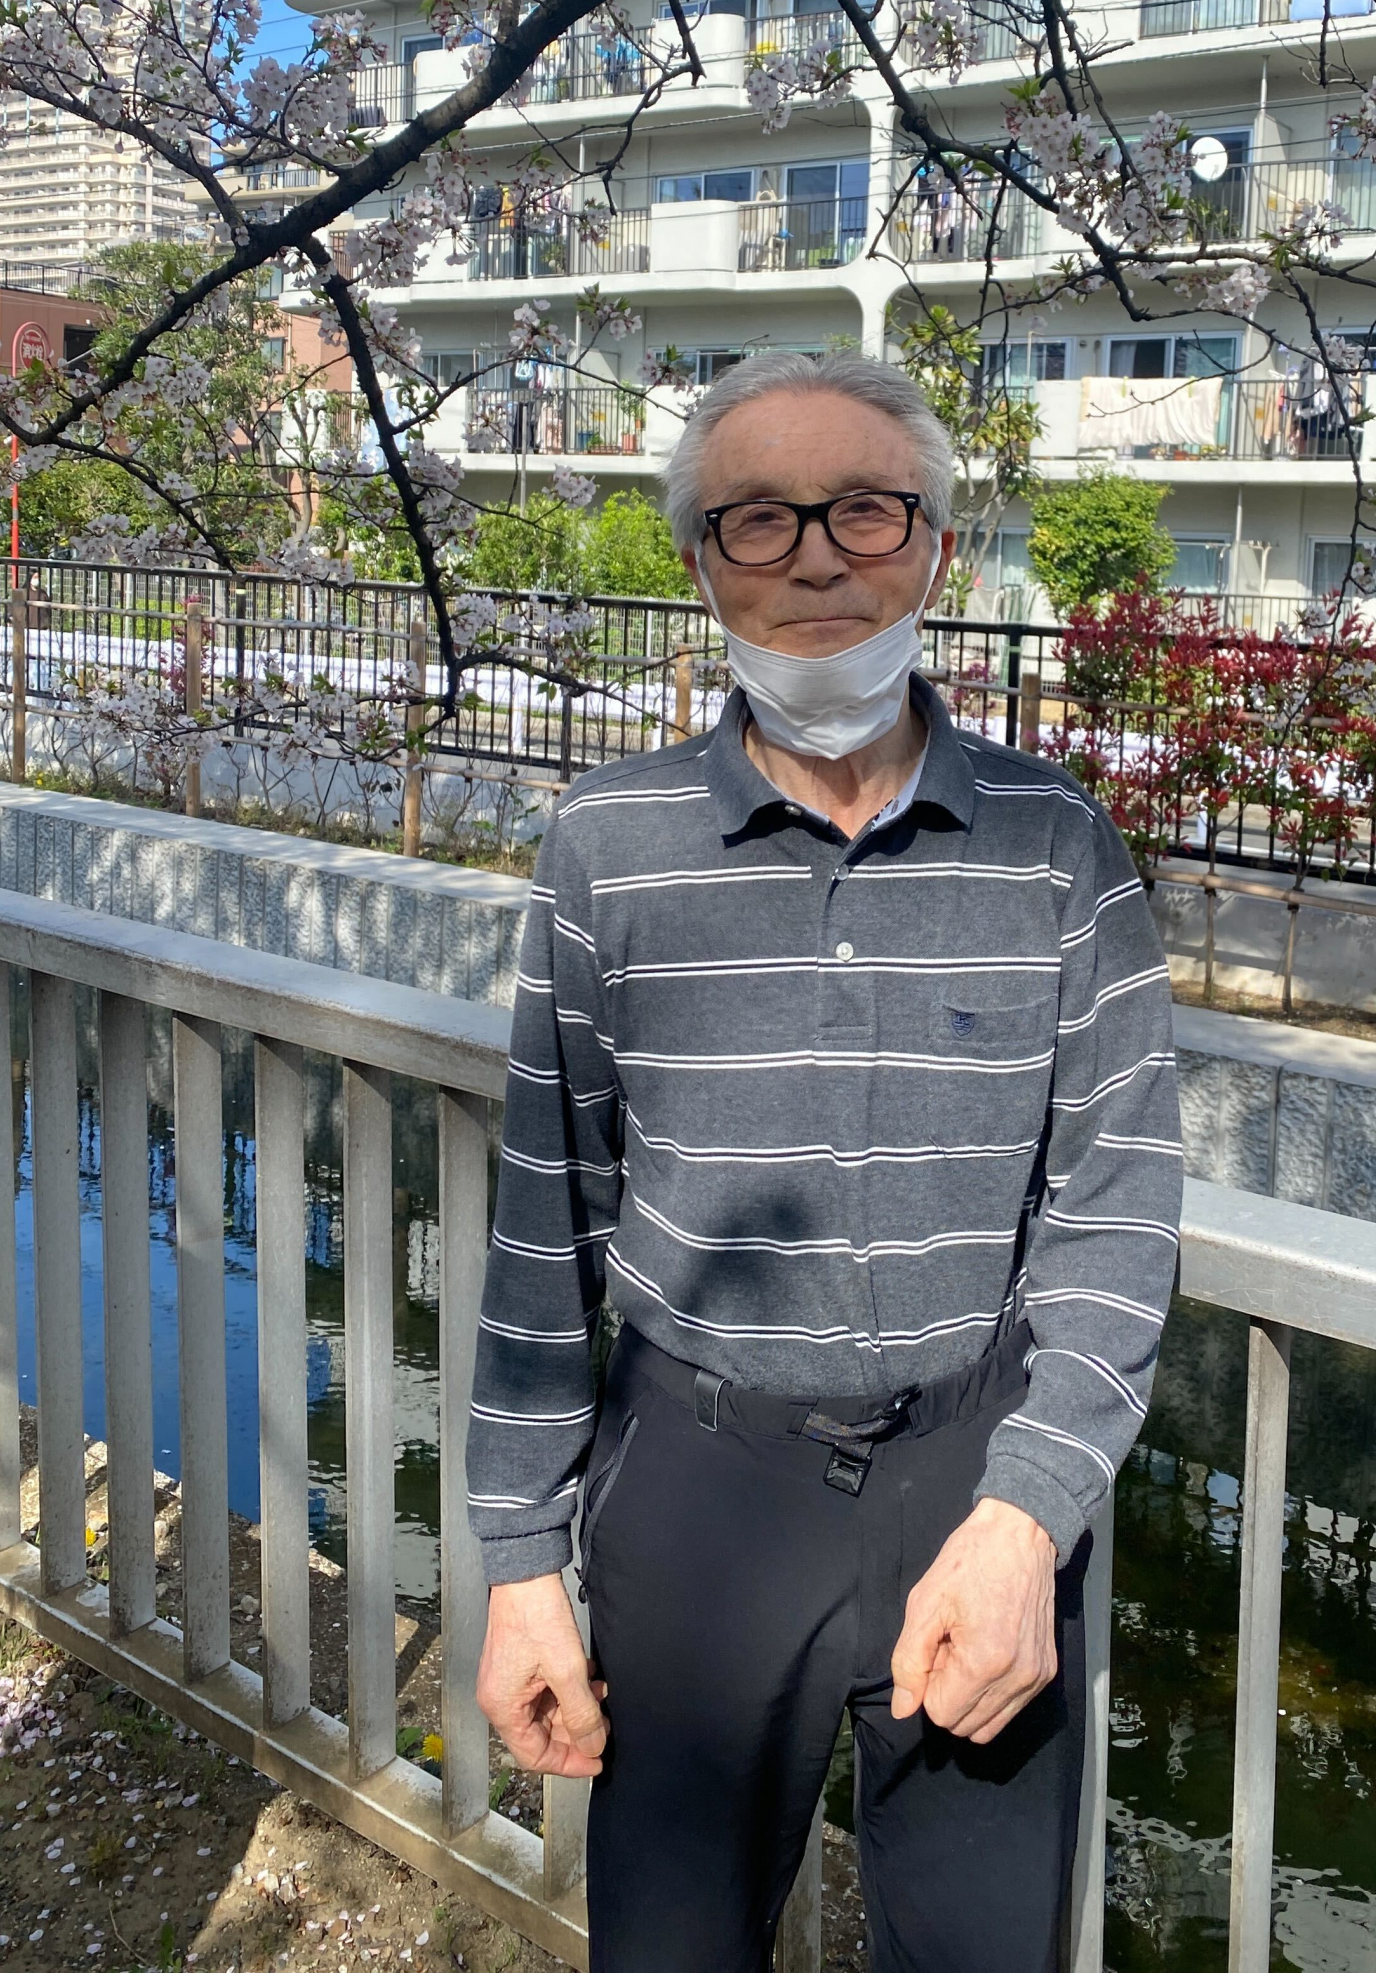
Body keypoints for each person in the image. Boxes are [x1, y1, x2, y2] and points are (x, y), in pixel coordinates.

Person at [467, 351, 1184, 1973]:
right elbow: (542, 1230)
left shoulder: (1056, 843)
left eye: (865, 510)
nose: (813, 559)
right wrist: (519, 1563)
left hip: (979, 1478)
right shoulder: (607, 847)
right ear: (698, 561)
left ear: (936, 548)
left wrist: (1033, 1512)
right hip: (697, 1491)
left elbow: (1118, 1208)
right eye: (757, 518)